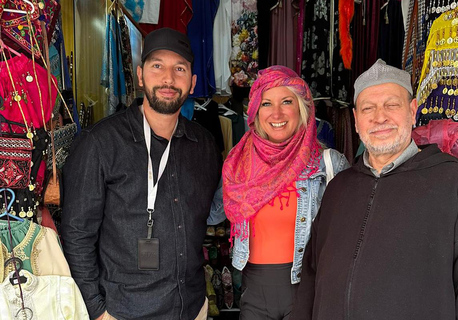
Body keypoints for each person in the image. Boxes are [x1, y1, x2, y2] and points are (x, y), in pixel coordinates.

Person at [290, 59, 458, 319]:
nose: (380, 117)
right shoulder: (338, 190)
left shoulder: (453, 184)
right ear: (356, 120)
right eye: (369, 108)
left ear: (413, 111)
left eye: (392, 105)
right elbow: (311, 279)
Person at [61, 28, 222, 320]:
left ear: (193, 82)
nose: (168, 79)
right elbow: (77, 234)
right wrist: (97, 310)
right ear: (139, 75)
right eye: (157, 66)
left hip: (191, 307)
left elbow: (210, 213)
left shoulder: (205, 145)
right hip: (124, 311)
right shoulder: (100, 143)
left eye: (180, 69)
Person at [220, 65, 350, 320]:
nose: (276, 113)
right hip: (253, 292)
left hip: (307, 290)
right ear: (256, 111)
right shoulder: (237, 165)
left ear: (302, 109)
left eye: (286, 101)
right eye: (266, 103)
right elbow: (211, 213)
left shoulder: (328, 164)